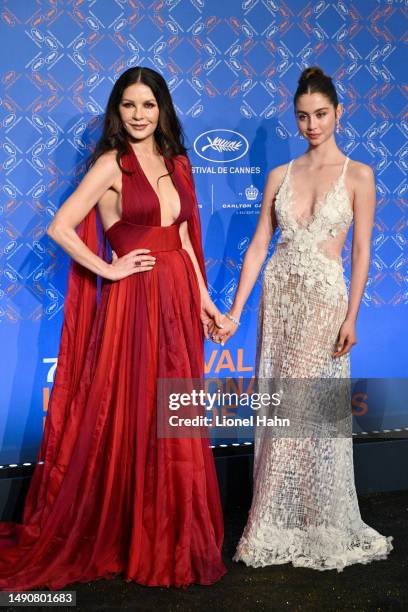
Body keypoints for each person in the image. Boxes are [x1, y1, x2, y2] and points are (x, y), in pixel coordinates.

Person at [0, 66, 226, 589]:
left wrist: (206, 302)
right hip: (135, 304)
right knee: (135, 414)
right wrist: (108, 268)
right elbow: (61, 227)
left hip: (178, 302)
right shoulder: (110, 164)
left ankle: (172, 533)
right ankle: (134, 536)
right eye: (129, 105)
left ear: (162, 109)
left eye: (148, 105)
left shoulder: (178, 163)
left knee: (175, 414)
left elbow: (186, 242)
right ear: (117, 111)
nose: (139, 115)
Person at [211, 67, 393, 571]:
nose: (312, 124)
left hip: (325, 298)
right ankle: (273, 517)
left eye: (320, 114)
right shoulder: (279, 176)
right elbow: (256, 250)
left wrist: (353, 316)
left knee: (314, 409)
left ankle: (320, 517)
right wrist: (233, 312)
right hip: (280, 296)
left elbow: (360, 253)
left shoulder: (359, 175)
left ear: (338, 112)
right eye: (302, 117)